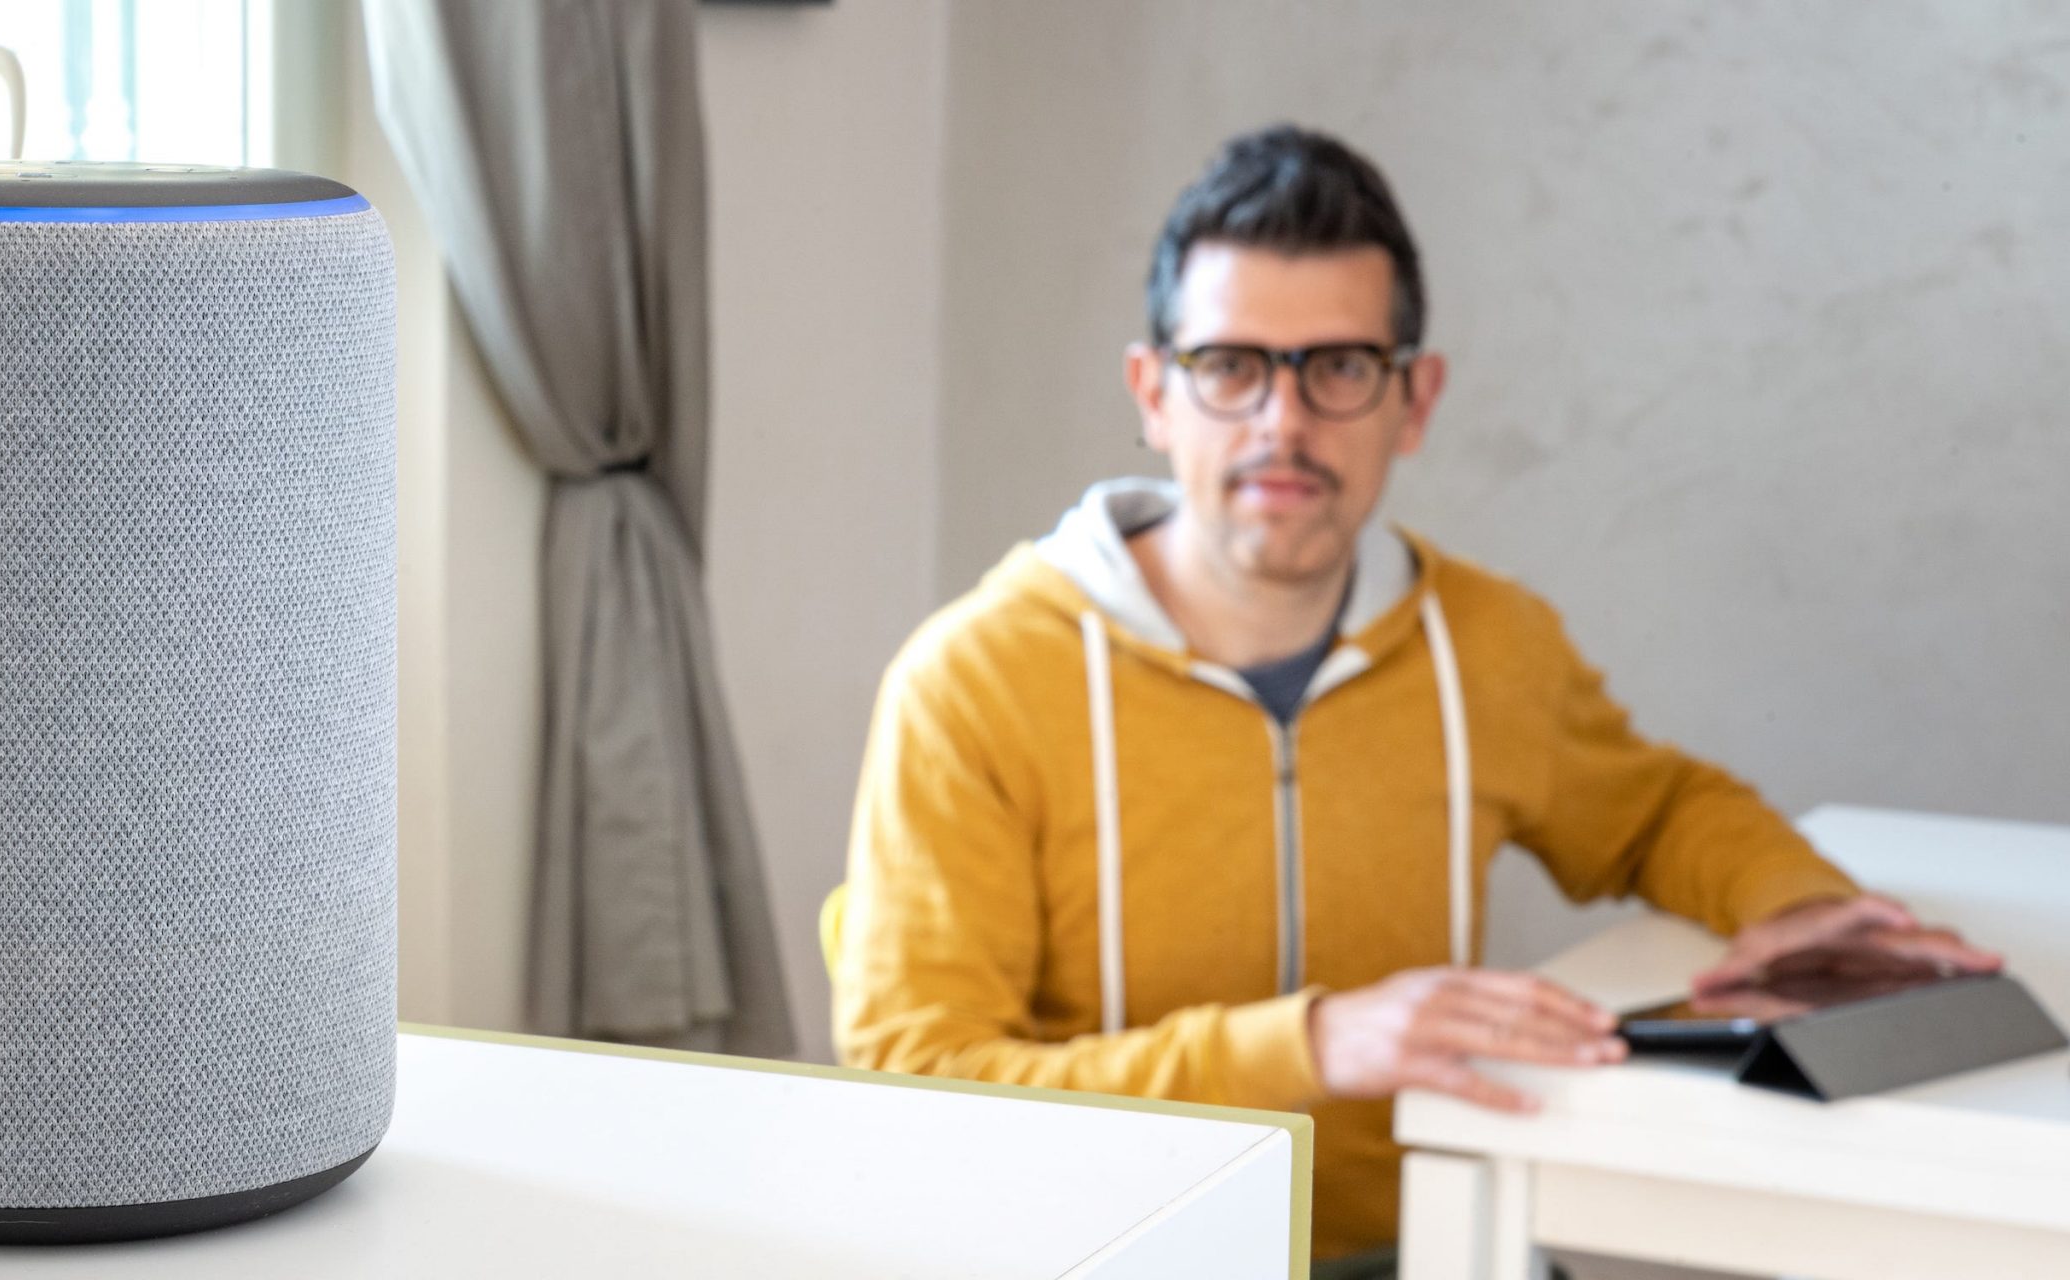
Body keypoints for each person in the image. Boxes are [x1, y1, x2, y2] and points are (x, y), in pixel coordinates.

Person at [827, 123, 2001, 1272]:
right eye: (1230, 366)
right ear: (1154, 391)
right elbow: (918, 1075)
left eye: (1337, 368)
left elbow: (1649, 809)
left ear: (1414, 398)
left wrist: (1785, 897)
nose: (1281, 423)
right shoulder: (969, 682)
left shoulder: (1487, 641)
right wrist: (1312, 1040)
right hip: (1098, 1251)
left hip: (1430, 1240)